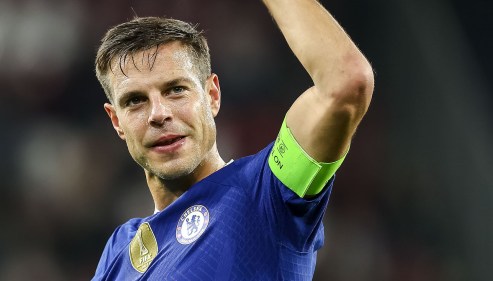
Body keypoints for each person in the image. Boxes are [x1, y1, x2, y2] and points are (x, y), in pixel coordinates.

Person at [92, 0, 374, 279]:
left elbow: (345, 82)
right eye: (135, 101)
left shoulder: (266, 193)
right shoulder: (120, 249)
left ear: (212, 96)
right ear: (116, 121)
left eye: (176, 90)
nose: (158, 114)